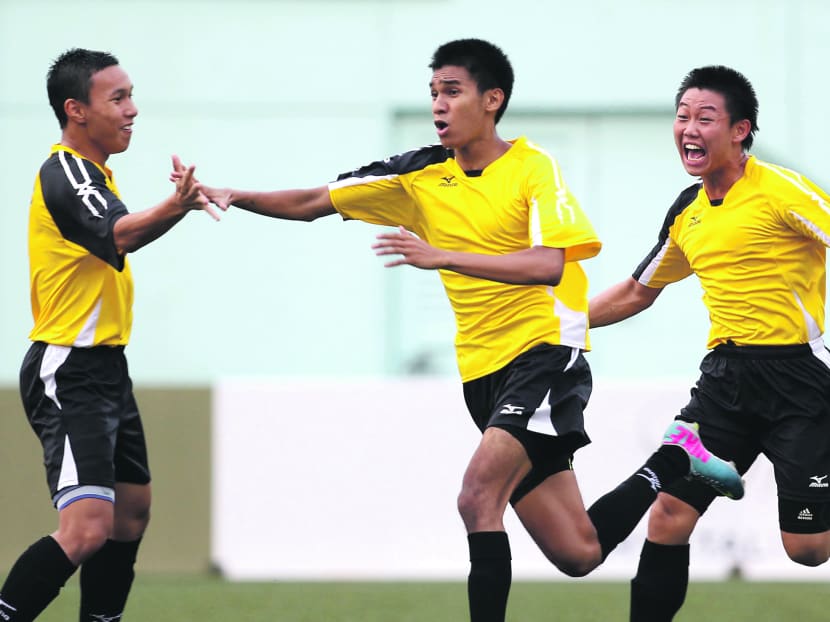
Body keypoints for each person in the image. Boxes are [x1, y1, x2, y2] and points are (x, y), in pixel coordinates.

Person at [193, 39, 742, 622]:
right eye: (433, 93)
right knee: (577, 552)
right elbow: (312, 201)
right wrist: (236, 195)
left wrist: (444, 256)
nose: (438, 104)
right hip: (482, 374)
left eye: (451, 91)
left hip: (545, 354)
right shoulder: (418, 174)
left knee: (477, 495)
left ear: (491, 99)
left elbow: (550, 264)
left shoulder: (532, 167)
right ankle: (675, 458)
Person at [589, 64, 830, 621]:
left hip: (802, 380)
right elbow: (636, 291)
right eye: (681, 116)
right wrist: (556, 324)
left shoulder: (780, 191)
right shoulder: (688, 210)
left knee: (809, 549)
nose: (688, 128)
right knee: (668, 514)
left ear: (740, 130)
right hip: (726, 383)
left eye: (705, 118)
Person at [0, 48, 215, 622]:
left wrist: (179, 207)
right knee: (88, 525)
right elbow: (118, 236)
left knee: (130, 514)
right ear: (76, 111)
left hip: (105, 368)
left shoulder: (96, 174)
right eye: (117, 98)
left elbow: (122, 235)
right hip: (66, 367)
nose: (132, 109)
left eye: (130, 95)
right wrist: (176, 203)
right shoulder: (65, 171)